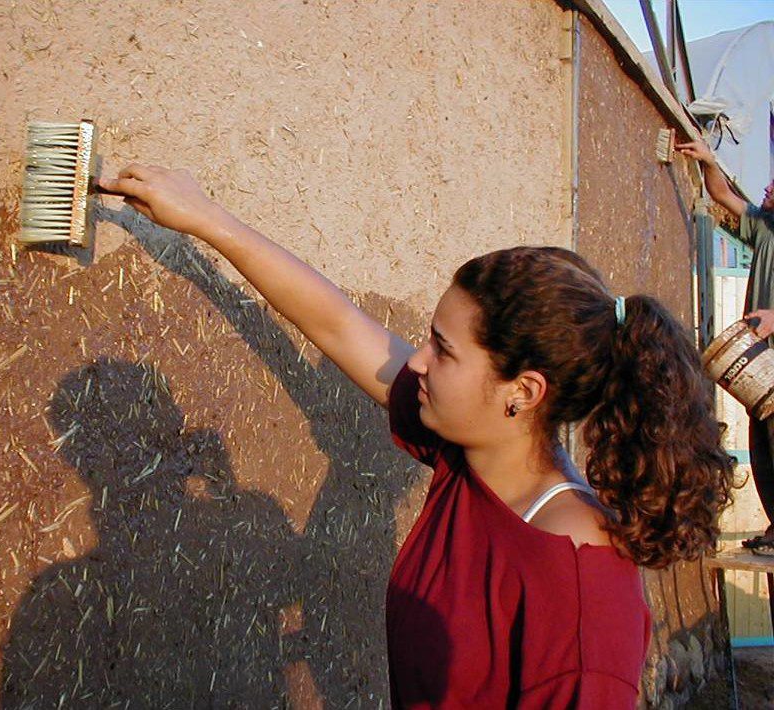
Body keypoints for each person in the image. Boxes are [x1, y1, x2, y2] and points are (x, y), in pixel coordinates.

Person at [98, 164, 734, 707]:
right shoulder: (471, 460)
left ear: (524, 391)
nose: (418, 362)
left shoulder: (578, 593)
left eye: (444, 350)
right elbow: (341, 326)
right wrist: (206, 219)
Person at [678, 138, 774, 553]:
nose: (766, 191)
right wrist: (708, 159)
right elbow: (721, 194)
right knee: (763, 446)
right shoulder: (767, 228)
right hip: (761, 364)